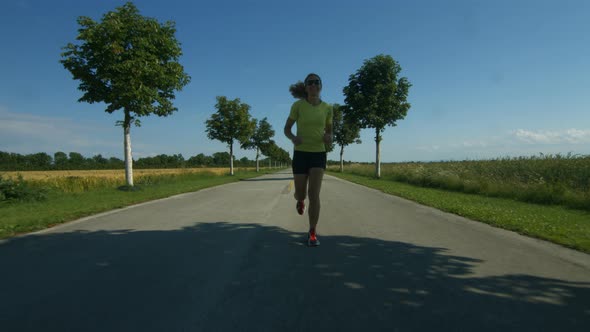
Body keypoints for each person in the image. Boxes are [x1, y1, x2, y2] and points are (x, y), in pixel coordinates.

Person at [284, 73, 333, 247]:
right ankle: (300, 201)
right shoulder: (298, 106)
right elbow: (287, 129)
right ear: (306, 88)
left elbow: (329, 131)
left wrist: (329, 137)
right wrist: (293, 138)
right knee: (301, 193)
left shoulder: (327, 108)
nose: (313, 85)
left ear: (321, 86)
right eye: (309, 83)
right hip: (301, 153)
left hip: (318, 153)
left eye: (316, 82)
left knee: (314, 194)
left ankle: (312, 232)